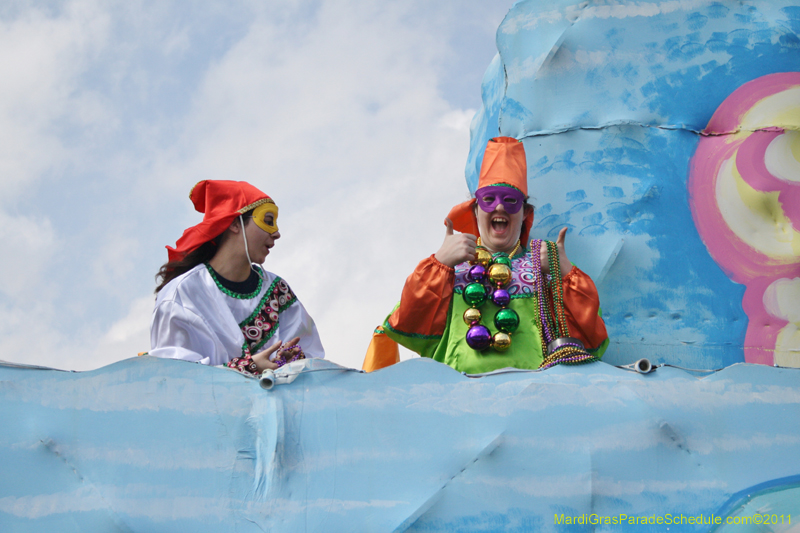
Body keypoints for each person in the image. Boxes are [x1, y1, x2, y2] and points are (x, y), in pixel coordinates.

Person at [363, 137, 607, 374]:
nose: (499, 207)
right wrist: (440, 263)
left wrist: (563, 271)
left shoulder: (545, 268)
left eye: (510, 201)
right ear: (476, 210)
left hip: (532, 399)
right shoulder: (450, 271)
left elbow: (591, 340)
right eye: (489, 200)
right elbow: (405, 322)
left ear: (524, 213)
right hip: (459, 400)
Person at [150, 180, 324, 375]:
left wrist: (291, 360)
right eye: (267, 221)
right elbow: (172, 376)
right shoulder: (182, 293)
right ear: (234, 223)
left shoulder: (277, 290)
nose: (276, 233)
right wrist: (249, 367)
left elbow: (312, 356)